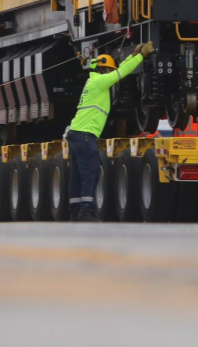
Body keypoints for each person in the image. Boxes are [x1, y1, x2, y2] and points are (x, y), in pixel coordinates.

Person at [66, 43, 153, 221]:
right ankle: (86, 211)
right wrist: (140, 57)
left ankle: (75, 210)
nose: (110, 73)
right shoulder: (99, 81)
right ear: (105, 70)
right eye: (109, 70)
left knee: (77, 174)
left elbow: (119, 69)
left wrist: (133, 54)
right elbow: (122, 73)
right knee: (91, 171)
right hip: (84, 135)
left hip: (76, 134)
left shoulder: (93, 81)